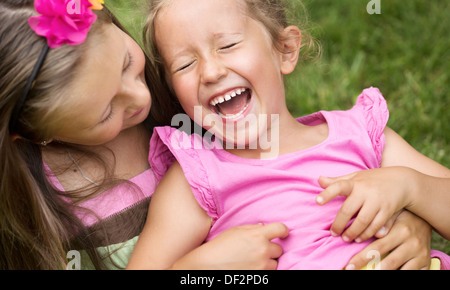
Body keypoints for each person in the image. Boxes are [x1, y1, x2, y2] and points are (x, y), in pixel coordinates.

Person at [127, 0, 450, 270]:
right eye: (184, 65)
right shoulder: (197, 178)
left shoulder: (362, 135)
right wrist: (200, 268)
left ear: (285, 50)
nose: (211, 72)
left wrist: (411, 186)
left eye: (227, 45)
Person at [0, 0, 294, 270]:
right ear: (41, 133)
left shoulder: (190, 91)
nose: (142, 98)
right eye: (105, 113)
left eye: (127, 63)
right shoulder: (30, 205)